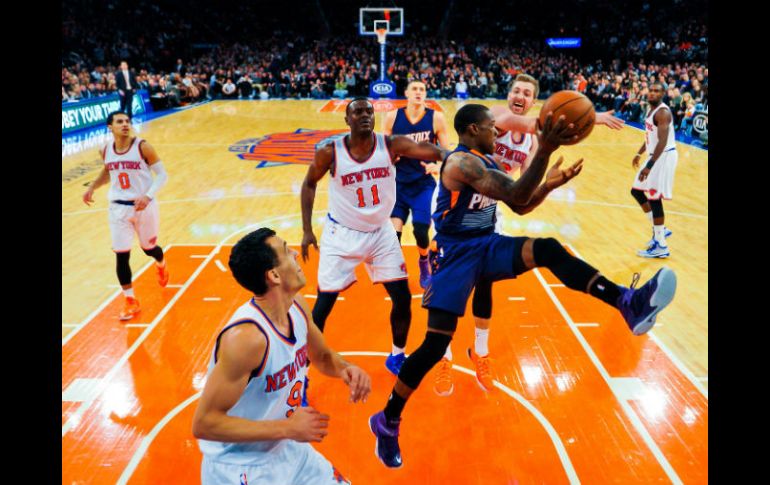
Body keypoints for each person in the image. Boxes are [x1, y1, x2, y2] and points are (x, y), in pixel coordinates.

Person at [369, 104, 677, 468]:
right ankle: (387, 420)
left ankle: (628, 302)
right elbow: (515, 195)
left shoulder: (489, 162)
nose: (496, 133)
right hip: (454, 254)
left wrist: (548, 185)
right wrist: (543, 149)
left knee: (546, 248)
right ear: (471, 130)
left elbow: (521, 206)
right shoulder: (462, 163)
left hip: (486, 243)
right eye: (489, 128)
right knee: (435, 345)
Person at [434, 75, 626, 396]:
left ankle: (480, 351)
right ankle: (443, 358)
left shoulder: (533, 143)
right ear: (508, 96)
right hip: (453, 212)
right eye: (516, 90)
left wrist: (548, 183)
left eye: (527, 93)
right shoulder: (495, 117)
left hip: (488, 206)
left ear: (535, 100)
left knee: (484, 283)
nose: (519, 95)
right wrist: (588, 118)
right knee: (449, 292)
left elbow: (521, 199)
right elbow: (531, 124)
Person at [193, 228, 370, 485]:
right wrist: (287, 427)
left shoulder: (296, 306)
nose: (296, 253)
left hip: (286, 448)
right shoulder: (247, 339)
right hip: (241, 468)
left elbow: (321, 356)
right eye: (287, 250)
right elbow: (204, 424)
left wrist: (345, 368)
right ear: (274, 275)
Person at [300, 96, 447, 382]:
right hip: (341, 234)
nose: (365, 115)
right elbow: (308, 183)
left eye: (369, 111)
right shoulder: (329, 151)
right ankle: (301, 374)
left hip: (380, 233)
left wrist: (453, 155)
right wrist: (307, 229)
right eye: (358, 112)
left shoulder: (390, 145)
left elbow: (425, 149)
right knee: (323, 306)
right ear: (347, 120)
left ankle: (396, 355)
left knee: (403, 298)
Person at [82, 111, 170, 320]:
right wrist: (92, 187)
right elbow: (108, 171)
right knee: (121, 254)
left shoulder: (142, 147)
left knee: (149, 249)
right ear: (109, 127)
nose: (125, 124)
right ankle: (130, 300)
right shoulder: (105, 149)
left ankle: (161, 263)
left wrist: (148, 196)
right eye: (119, 121)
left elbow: (163, 175)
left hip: (144, 207)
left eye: (127, 121)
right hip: (118, 209)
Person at [382, 80, 451, 289]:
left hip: (423, 184)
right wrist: (389, 158)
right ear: (406, 93)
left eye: (422, 89)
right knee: (394, 236)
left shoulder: (436, 118)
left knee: (421, 230)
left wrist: (438, 166)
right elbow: (383, 148)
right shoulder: (393, 116)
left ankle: (424, 261)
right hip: (398, 184)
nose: (419, 92)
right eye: (415, 89)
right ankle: (397, 271)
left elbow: (447, 153)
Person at [631, 82, 678, 258]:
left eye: (656, 91)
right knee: (636, 191)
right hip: (654, 155)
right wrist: (639, 153)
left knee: (655, 198)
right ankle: (660, 229)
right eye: (650, 90)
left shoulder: (662, 113)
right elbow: (650, 136)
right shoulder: (651, 110)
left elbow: (662, 141)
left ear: (663, 93)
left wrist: (649, 166)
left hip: (663, 156)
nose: (652, 93)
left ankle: (661, 246)